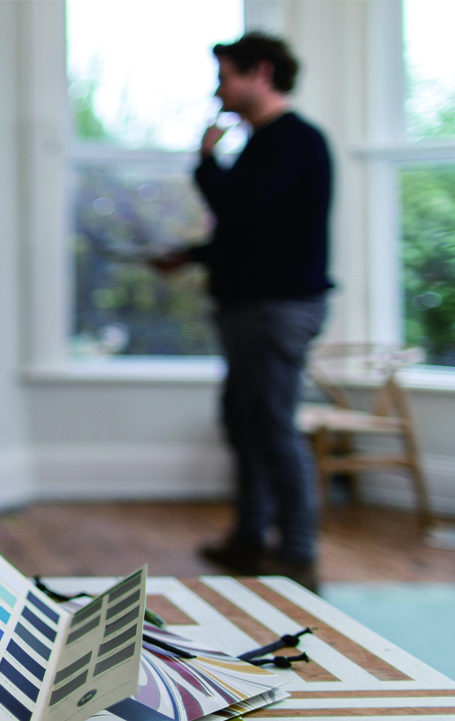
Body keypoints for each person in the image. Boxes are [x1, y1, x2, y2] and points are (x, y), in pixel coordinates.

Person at [151, 34, 333, 592]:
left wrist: (206, 159)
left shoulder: (292, 141)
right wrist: (194, 255)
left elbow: (237, 207)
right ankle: (250, 539)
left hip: (276, 310)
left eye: (224, 76)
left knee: (272, 425)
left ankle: (299, 554)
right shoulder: (265, 145)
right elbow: (256, 231)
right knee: (244, 421)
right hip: (253, 307)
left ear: (260, 72)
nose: (217, 90)